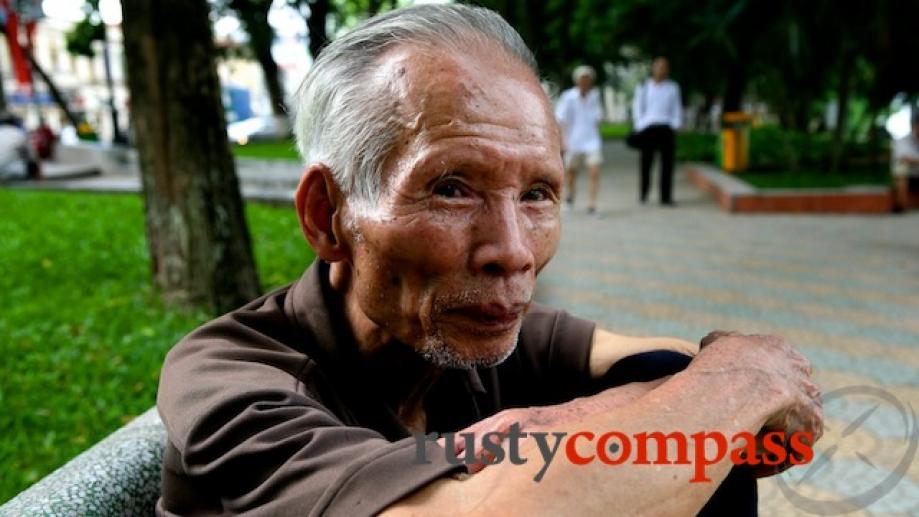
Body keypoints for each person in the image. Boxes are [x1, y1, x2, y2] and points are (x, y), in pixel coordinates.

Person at [156, 6, 822, 516]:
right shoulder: (229, 381)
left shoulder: (474, 331)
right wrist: (739, 380)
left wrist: (531, 429)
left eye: (536, 193)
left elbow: (760, 430)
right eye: (451, 187)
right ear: (326, 216)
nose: (510, 248)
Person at [632, 57, 683, 206]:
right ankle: (644, 193)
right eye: (658, 67)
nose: (661, 70)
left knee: (667, 164)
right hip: (648, 127)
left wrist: (675, 124)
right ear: (653, 68)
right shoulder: (644, 86)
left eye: (664, 67)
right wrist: (640, 125)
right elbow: (638, 108)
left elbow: (676, 108)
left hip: (666, 127)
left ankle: (665, 197)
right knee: (646, 162)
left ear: (667, 70)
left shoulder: (673, 87)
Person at [555, 65, 604, 214]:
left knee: (594, 170)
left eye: (588, 79)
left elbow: (598, 117)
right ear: (577, 81)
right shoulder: (568, 97)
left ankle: (592, 203)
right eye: (583, 79)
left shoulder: (594, 97)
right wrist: (563, 140)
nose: (585, 82)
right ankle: (570, 196)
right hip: (573, 140)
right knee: (571, 172)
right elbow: (561, 119)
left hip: (592, 140)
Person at [892, 111, 919, 211]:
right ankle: (901, 205)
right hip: (909, 176)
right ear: (915, 125)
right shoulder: (903, 140)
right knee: (901, 169)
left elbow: (909, 159)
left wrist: (913, 160)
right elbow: (903, 158)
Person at [0, 112, 33, 180]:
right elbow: (32, 156)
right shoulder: (19, 133)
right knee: (32, 164)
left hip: (8, 169)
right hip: (13, 171)